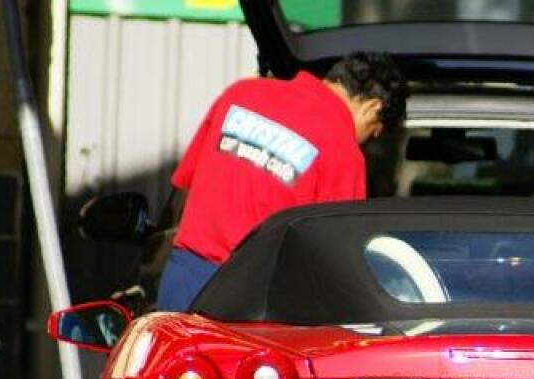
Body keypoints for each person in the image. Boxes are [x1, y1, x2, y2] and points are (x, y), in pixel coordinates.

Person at [157, 52, 407, 311]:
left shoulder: (240, 94)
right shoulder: (344, 152)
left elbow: (186, 186)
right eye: (373, 133)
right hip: (253, 301)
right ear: (373, 107)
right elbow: (335, 261)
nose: (365, 141)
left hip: (184, 277)